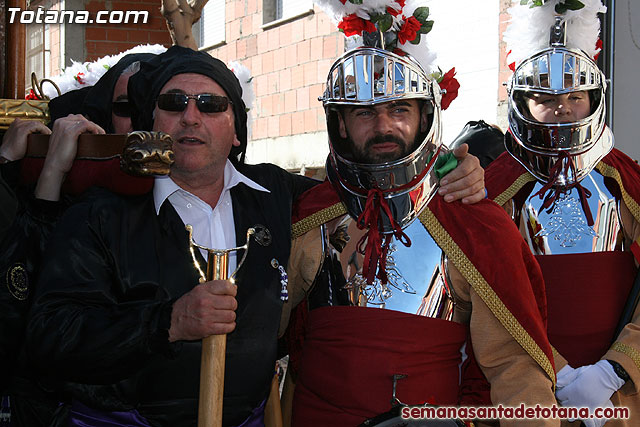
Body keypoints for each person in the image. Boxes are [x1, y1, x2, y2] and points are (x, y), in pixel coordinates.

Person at [25, 44, 484, 427]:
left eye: (210, 104)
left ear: (236, 131)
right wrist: (167, 322)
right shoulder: (101, 213)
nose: (190, 117)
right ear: (152, 122)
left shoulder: (280, 196)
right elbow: (48, 337)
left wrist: (454, 169)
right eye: (173, 103)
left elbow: (375, 181)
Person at [280, 1, 558, 426]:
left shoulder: (471, 222)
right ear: (339, 124)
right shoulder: (308, 213)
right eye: (364, 113)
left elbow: (514, 367)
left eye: (399, 110)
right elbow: (258, 333)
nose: (383, 126)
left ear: (425, 116)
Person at [486, 2, 639, 426]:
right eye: (545, 97)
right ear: (522, 102)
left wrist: (615, 371)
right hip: (527, 389)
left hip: (618, 394)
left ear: (593, 97)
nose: (563, 108)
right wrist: (556, 370)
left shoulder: (626, 181)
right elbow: (486, 295)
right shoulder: (494, 188)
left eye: (574, 95)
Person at [0, 51, 159, 426]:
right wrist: (50, 172)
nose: (142, 119)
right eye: (127, 105)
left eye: (158, 103)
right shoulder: (71, 183)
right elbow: (20, 306)